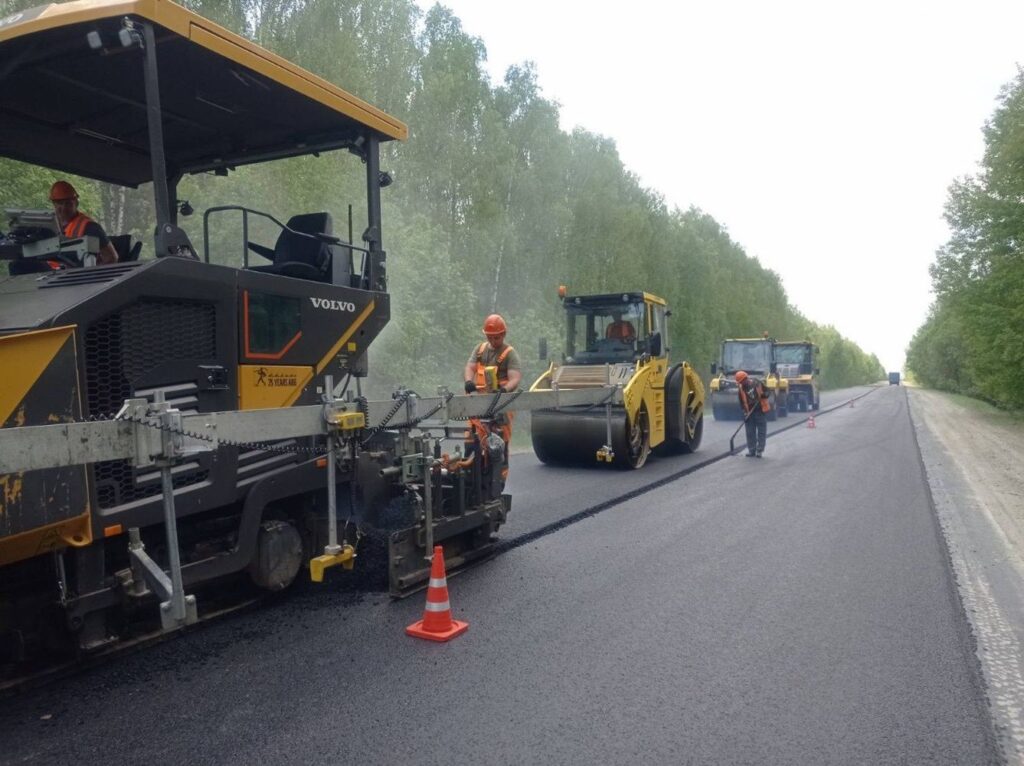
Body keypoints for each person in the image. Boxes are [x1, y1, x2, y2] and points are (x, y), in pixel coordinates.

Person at [463, 314, 522, 493]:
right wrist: (468, 381)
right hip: (480, 405)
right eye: (489, 336)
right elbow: (470, 367)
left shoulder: (509, 354)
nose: (493, 340)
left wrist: (504, 390)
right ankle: (470, 475)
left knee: (498, 443)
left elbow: (515, 378)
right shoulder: (480, 350)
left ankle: (498, 481)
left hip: (500, 406)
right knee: (472, 438)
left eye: (496, 337)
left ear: (503, 334)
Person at [49, 180, 119, 265]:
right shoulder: (48, 227)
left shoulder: (91, 227)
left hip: (77, 276)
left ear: (76, 203)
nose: (64, 208)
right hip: (48, 275)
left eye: (68, 203)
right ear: (54, 204)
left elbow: (112, 258)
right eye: (60, 203)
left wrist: (91, 274)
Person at [735, 370, 770, 457]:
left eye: (742, 381)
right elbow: (741, 403)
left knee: (761, 432)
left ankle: (759, 450)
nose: (742, 383)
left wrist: (764, 395)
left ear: (746, 378)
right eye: (740, 382)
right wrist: (744, 413)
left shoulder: (757, 383)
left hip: (760, 410)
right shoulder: (741, 389)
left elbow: (768, 391)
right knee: (750, 433)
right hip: (749, 413)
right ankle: (752, 450)